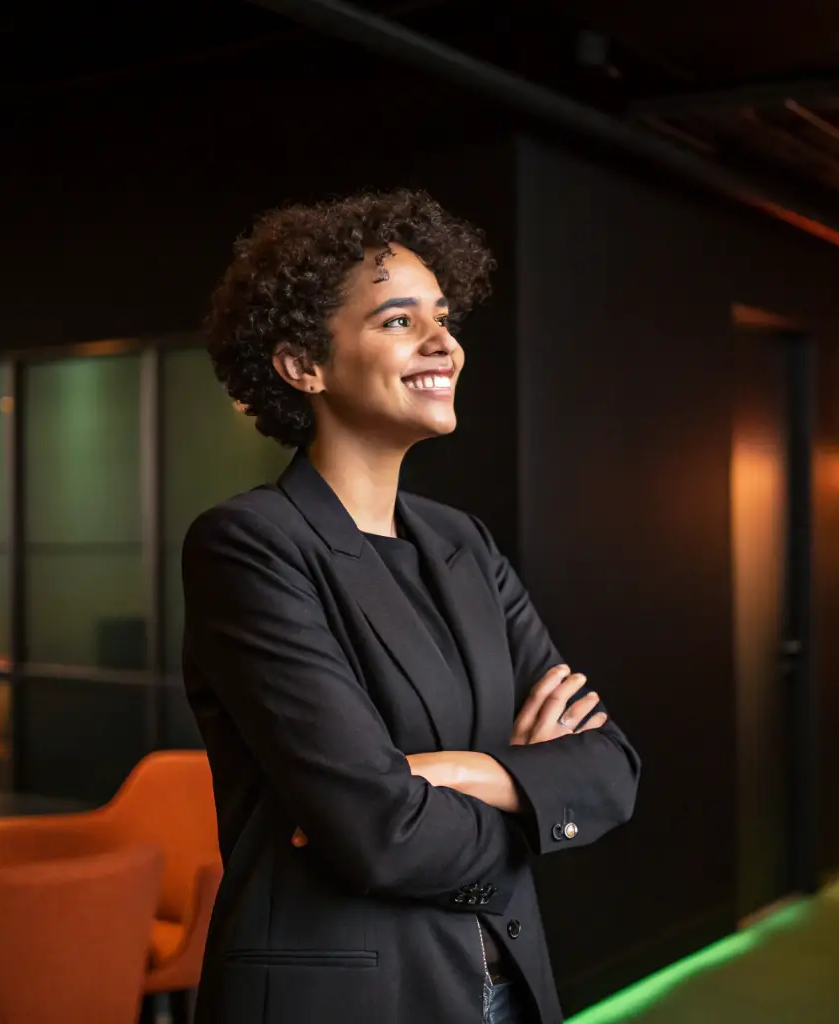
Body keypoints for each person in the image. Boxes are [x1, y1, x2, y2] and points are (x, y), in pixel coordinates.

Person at [182, 189, 641, 1024]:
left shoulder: (463, 541)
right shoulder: (249, 546)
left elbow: (609, 767)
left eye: (443, 316)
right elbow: (378, 834)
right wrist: (533, 790)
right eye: (398, 320)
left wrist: (454, 773)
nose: (443, 342)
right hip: (347, 1000)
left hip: (508, 984)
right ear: (302, 365)